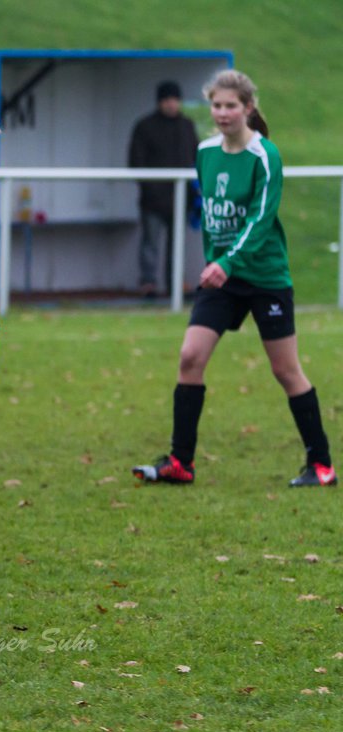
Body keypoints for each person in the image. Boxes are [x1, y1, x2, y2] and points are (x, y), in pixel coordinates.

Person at [133, 70, 335, 488]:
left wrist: (226, 261)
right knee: (190, 357)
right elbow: (211, 213)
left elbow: (261, 221)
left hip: (263, 277)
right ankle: (181, 462)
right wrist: (217, 263)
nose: (222, 113)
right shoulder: (205, 152)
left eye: (230, 106)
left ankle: (321, 465)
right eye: (216, 105)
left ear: (247, 108)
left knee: (286, 370)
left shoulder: (265, 156)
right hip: (223, 278)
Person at [129, 80, 199, 298]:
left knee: (177, 246)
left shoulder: (187, 126)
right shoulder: (145, 126)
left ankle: (175, 284)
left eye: (174, 100)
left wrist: (194, 192)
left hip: (181, 199)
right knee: (150, 243)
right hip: (153, 201)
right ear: (160, 102)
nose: (171, 104)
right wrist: (152, 191)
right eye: (167, 100)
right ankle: (148, 283)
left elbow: (196, 158)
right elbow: (136, 162)